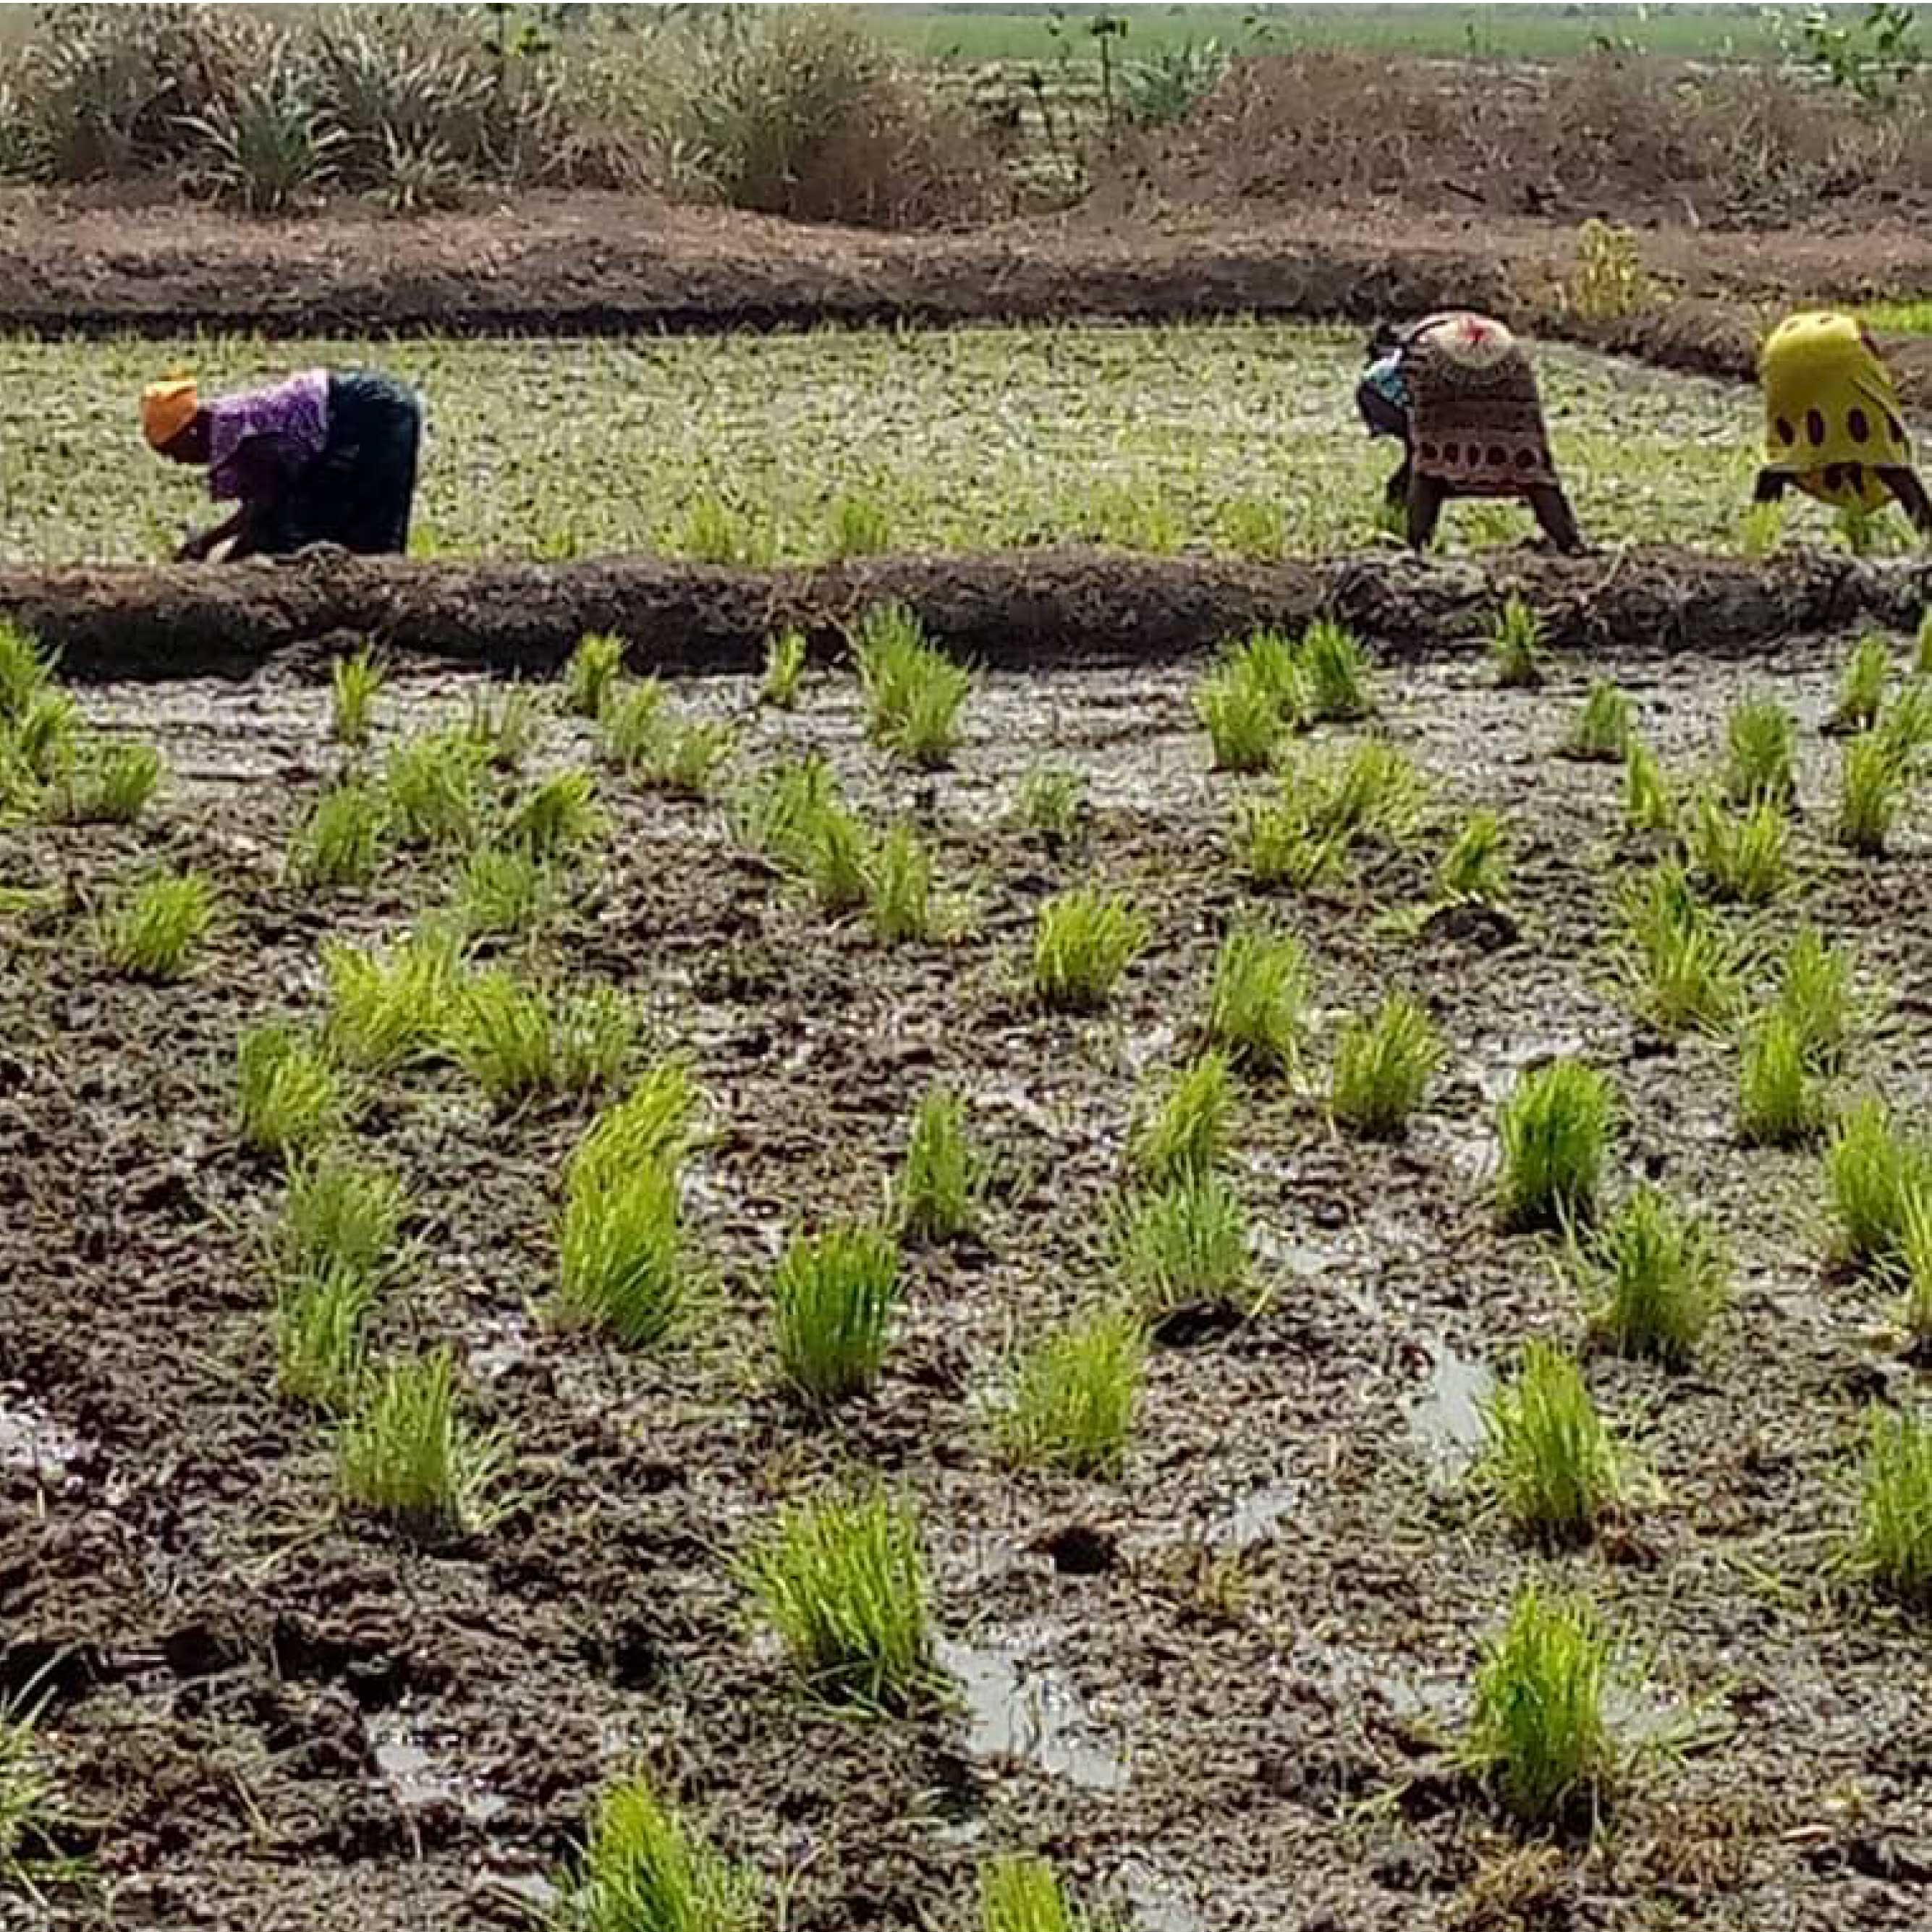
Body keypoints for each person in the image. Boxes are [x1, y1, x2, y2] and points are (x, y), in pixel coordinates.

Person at [1356, 311, 1585, 556]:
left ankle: (1416, 546)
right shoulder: (1442, 331)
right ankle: (1568, 541)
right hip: (1509, 363)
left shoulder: (1397, 365)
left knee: (1429, 466)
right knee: (1528, 463)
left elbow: (1403, 411)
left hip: (1439, 371)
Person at [140, 368, 423, 562]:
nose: (179, 462)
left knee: (366, 517)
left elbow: (267, 508)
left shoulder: (243, 436)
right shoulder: (229, 428)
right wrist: (211, 543)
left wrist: (220, 556)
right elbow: (261, 506)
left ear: (190, 432)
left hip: (373, 411)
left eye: (174, 452)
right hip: (352, 418)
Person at [1751, 310, 1932, 541]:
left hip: (1782, 350)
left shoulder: (1812, 467)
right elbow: (1897, 471)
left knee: (1790, 451)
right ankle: (1928, 538)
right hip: (1842, 346)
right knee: (1885, 456)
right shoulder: (1871, 472)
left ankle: (1756, 535)